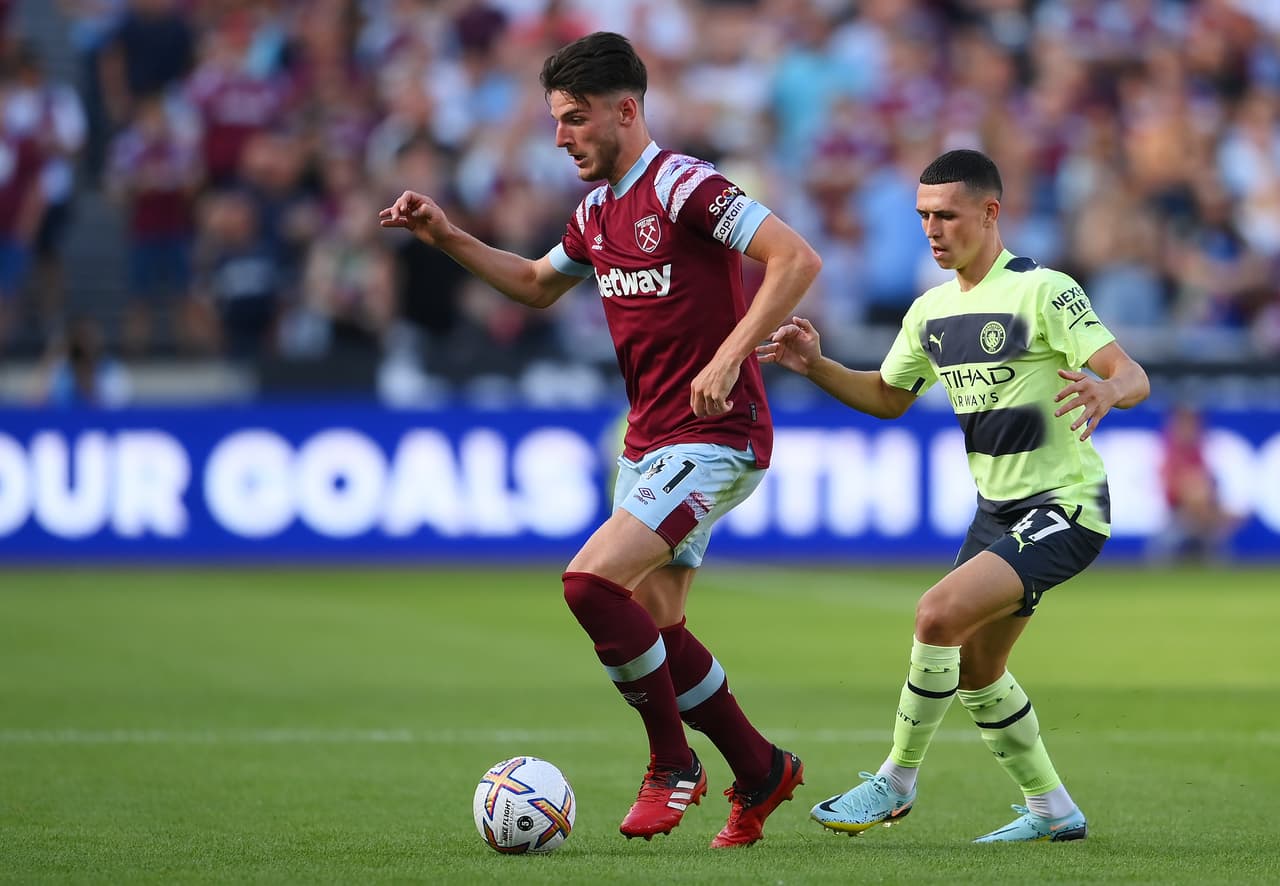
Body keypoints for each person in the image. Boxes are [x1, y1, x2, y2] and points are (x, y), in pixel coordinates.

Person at [380, 31, 820, 848]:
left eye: (576, 119)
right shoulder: (595, 211)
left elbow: (794, 259)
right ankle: (761, 770)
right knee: (659, 624)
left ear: (626, 110)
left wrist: (729, 356)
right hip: (650, 441)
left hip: (717, 433)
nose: (560, 137)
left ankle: (672, 765)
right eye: (555, 120)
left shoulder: (684, 185)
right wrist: (446, 235)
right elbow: (540, 284)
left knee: (589, 585)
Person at [759, 148, 1149, 843]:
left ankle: (895, 782)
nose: (933, 230)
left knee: (935, 614)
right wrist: (816, 366)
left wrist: (1107, 389)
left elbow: (1129, 371)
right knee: (976, 671)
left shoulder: (1042, 291)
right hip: (996, 512)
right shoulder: (930, 311)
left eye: (947, 215)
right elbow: (887, 396)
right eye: (922, 217)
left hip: (1066, 505)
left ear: (990, 213)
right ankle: (1053, 811)